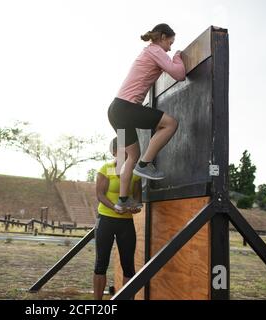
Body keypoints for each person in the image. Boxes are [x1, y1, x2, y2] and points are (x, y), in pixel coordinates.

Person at [107, 23, 186, 213]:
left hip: (115, 110)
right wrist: (176, 57)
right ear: (163, 38)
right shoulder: (156, 51)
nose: (170, 48)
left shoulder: (148, 52)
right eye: (170, 43)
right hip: (126, 108)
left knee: (131, 156)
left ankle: (122, 200)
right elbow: (179, 74)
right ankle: (145, 164)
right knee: (170, 124)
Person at [93, 137, 142, 300]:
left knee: (128, 265)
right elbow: (99, 195)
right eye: (122, 151)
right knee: (101, 264)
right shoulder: (105, 169)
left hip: (126, 223)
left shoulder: (135, 172)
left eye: (129, 151)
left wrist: (135, 207)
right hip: (106, 220)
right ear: (113, 152)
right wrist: (114, 207)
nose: (126, 154)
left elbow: (137, 198)